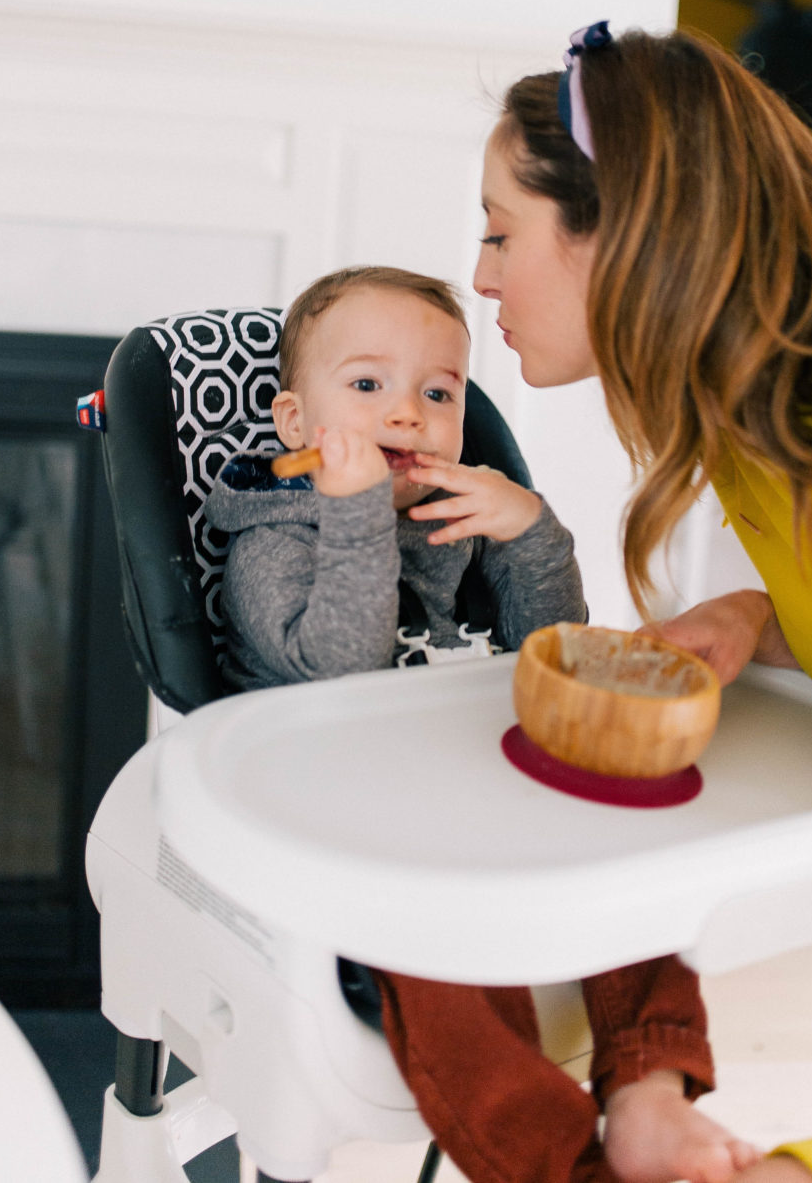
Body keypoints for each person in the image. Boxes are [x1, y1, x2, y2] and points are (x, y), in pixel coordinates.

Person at [470, 19, 812, 1183]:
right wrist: (759, 620)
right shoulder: (768, 435)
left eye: (502, 232)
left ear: (623, 234)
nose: (480, 274)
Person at [205, 263, 761, 1183]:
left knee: (624, 858)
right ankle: (560, 1165)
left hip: (469, 794)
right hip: (347, 836)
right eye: (368, 385)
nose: (407, 414)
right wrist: (352, 518)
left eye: (438, 392)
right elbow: (341, 664)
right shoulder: (270, 540)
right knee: (452, 961)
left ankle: (650, 1088)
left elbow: (550, 647)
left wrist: (526, 528)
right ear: (296, 425)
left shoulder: (446, 513)